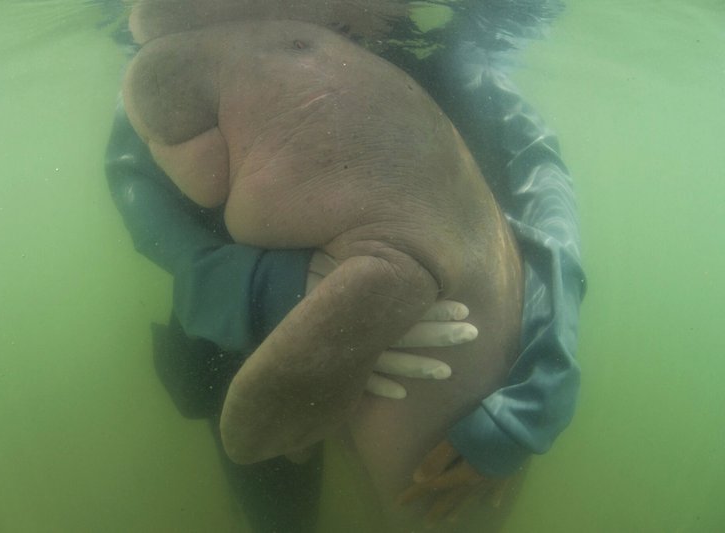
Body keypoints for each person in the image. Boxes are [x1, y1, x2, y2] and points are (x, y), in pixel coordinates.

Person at [104, 0, 585, 530]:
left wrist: (527, 405)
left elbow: (547, 202)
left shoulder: (450, 65)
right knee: (278, 513)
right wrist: (273, 292)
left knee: (438, 499)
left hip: (441, 328)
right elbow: (155, 227)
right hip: (238, 342)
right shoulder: (166, 71)